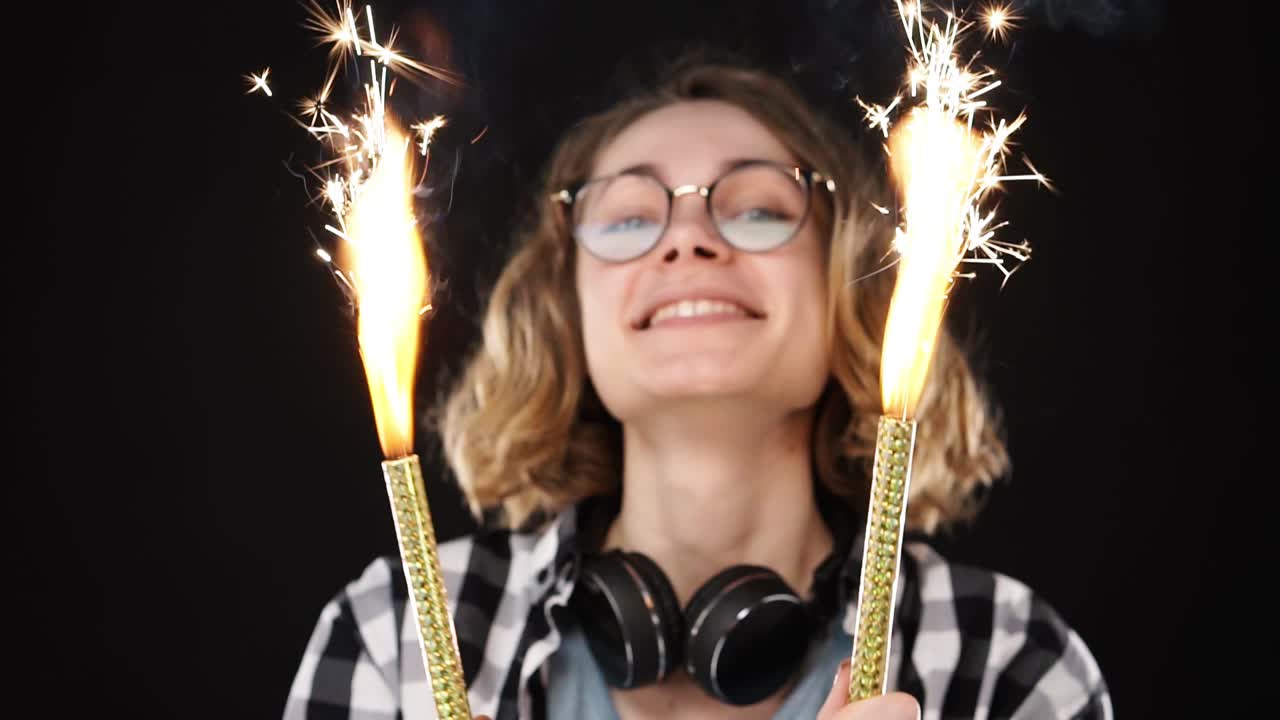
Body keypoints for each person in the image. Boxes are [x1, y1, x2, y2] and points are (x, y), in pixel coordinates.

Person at [283, 56, 1111, 720]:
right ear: (564, 315)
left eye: (755, 208)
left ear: (849, 292)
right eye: (628, 217)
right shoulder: (395, 636)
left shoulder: (1006, 656)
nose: (687, 238)